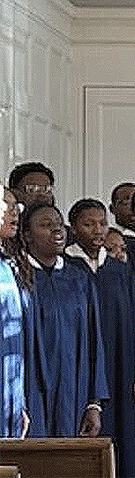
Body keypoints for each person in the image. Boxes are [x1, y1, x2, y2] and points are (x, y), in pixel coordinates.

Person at [65, 199, 135, 477]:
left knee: (122, 447)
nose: (98, 230)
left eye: (103, 223)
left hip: (121, 371)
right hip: (80, 371)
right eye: (88, 223)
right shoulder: (68, 269)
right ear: (73, 228)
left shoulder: (119, 271)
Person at [20, 203, 108, 437]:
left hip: (74, 391)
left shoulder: (79, 279)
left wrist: (94, 404)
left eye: (59, 225)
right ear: (27, 234)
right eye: (46, 225)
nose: (57, 231)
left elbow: (94, 342)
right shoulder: (17, 278)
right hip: (29, 392)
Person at [0, 187, 31, 438]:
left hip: (8, 395)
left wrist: (18, 401)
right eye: (5, 204)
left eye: (16, 205)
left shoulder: (8, 264)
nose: (14, 211)